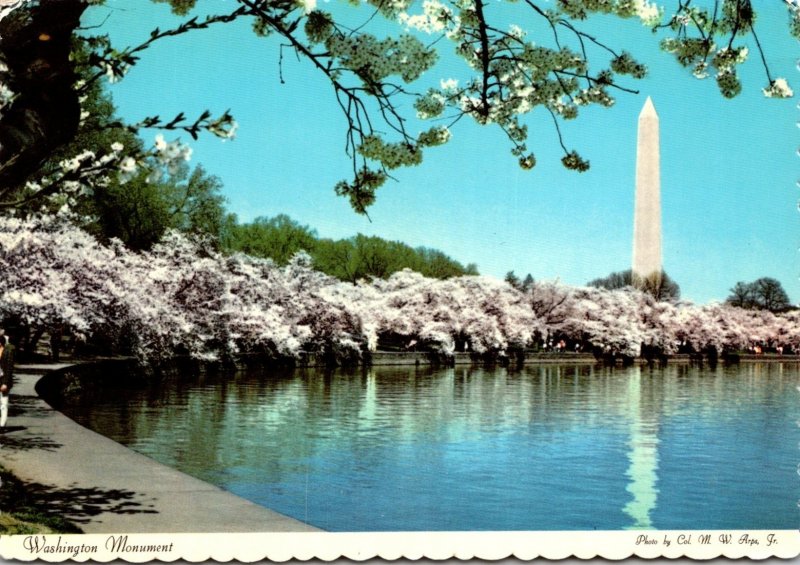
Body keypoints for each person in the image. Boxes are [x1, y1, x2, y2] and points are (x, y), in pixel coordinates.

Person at [0, 335, 16, 428]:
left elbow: (9, 368)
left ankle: (2, 424)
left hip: (4, 380)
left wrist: (5, 383)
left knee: (3, 402)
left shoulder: (8, 352)